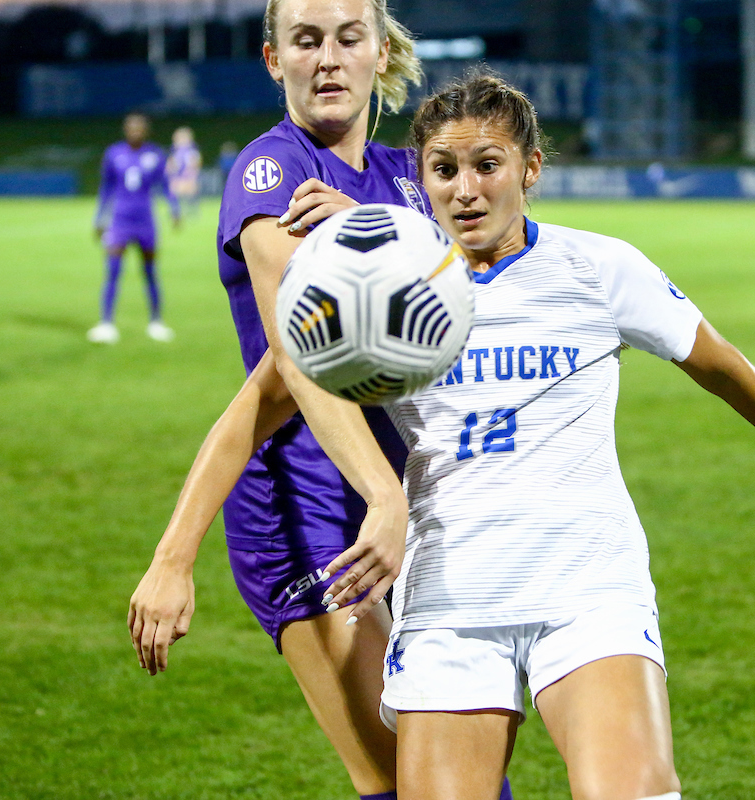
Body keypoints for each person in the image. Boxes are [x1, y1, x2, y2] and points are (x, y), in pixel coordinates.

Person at [305, 73, 755, 800]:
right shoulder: (388, 292)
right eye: (444, 169)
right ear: (421, 181)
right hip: (451, 597)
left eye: (488, 165)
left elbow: (721, 365)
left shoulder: (597, 268)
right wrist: (186, 550)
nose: (466, 190)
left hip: (587, 585)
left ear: (530, 168)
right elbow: (281, 387)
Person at [127, 3, 512, 799]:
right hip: (302, 513)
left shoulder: (409, 176)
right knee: (410, 777)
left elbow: (498, 285)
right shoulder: (269, 175)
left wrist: (379, 227)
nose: (328, 59)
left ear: (381, 51)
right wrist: (173, 557)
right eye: (305, 41)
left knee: (469, 775)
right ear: (275, 60)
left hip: (406, 504)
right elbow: (298, 366)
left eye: (347, 38)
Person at [89, 113, 180, 344]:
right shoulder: (114, 153)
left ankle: (156, 322)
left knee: (149, 272)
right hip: (120, 221)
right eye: (132, 128)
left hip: (145, 221)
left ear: (146, 131)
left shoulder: (155, 154)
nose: (135, 132)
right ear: (125, 130)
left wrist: (174, 208)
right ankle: (106, 323)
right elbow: (106, 187)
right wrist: (99, 218)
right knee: (113, 271)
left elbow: (165, 185)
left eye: (140, 128)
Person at [167, 126, 203, 217]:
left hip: (188, 176)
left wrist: (191, 175)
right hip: (177, 176)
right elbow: (170, 165)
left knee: (191, 188)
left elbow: (196, 164)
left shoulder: (192, 151)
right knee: (172, 188)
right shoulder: (174, 151)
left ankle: (192, 211)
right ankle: (175, 210)